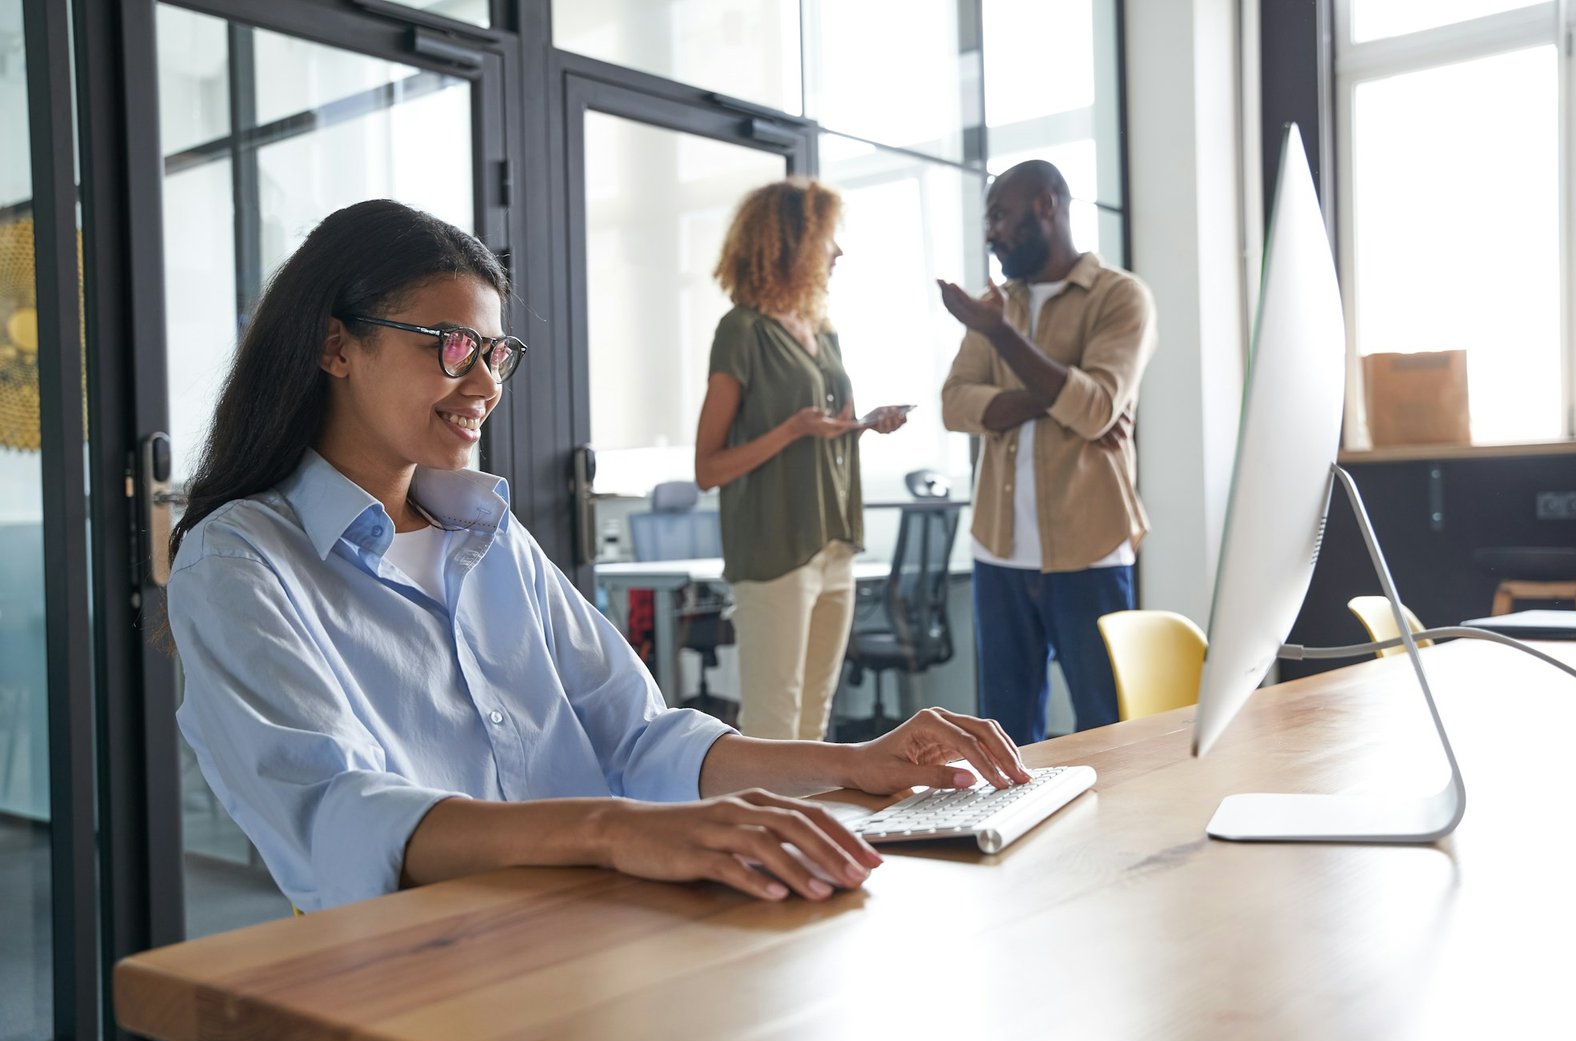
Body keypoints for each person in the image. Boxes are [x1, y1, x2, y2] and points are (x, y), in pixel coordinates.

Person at [165, 199, 1024, 914]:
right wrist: (614, 830)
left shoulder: (488, 536)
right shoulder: (239, 564)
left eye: (495, 354)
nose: (486, 385)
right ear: (336, 347)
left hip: (593, 923)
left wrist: (854, 761)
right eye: (451, 346)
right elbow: (335, 814)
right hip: (426, 963)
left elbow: (639, 737)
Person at [938, 160, 1156, 744]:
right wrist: (1061, 395)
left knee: (1106, 726)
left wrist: (1002, 338)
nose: (990, 233)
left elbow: (1096, 408)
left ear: (1045, 206)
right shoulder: (996, 304)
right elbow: (955, 405)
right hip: (999, 549)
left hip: (1092, 547)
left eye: (999, 216)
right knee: (1003, 733)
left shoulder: (1120, 296)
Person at [693, 179, 907, 742]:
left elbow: (827, 430)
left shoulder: (823, 332)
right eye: (827, 239)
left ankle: (811, 807)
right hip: (775, 548)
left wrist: (865, 424)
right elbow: (707, 468)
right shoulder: (741, 331)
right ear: (790, 243)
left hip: (833, 541)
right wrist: (791, 431)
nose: (838, 252)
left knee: (815, 719)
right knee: (774, 724)